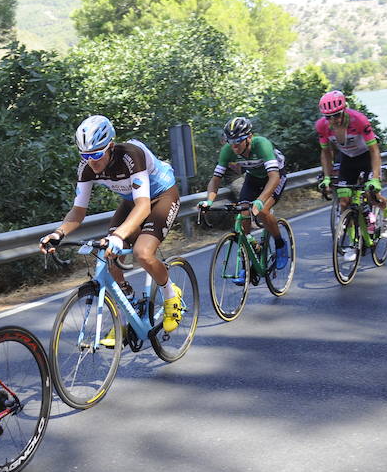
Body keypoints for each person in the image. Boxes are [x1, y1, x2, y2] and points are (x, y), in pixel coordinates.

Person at [39, 115, 183, 342]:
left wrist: (117, 235)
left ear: (111, 147)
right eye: (85, 156)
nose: (92, 161)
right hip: (132, 201)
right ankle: (129, 309)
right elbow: (78, 212)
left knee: (142, 253)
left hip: (162, 196)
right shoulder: (86, 168)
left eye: (96, 154)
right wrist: (59, 233)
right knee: (108, 255)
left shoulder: (131, 156)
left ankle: (171, 294)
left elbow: (144, 207)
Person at [198, 117, 289, 283]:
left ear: (249, 137)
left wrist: (260, 201)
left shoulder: (261, 144)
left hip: (275, 177)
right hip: (253, 178)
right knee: (243, 214)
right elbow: (216, 179)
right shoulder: (228, 150)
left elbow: (274, 177)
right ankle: (247, 262)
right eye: (230, 141)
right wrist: (209, 201)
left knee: (261, 211)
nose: (234, 146)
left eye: (238, 142)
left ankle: (280, 244)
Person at [315, 90, 387, 260]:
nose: (332, 120)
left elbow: (374, 150)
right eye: (328, 117)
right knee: (344, 201)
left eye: (336, 115)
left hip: (366, 156)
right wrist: (327, 177)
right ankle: (353, 243)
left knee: (371, 195)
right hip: (348, 159)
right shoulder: (322, 126)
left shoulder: (358, 120)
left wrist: (374, 178)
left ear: (344, 110)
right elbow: (326, 153)